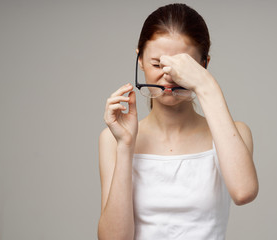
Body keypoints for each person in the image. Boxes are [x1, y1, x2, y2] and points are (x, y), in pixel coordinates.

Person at [98, 3, 258, 240]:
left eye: (183, 66)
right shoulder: (113, 139)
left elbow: (244, 192)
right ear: (140, 59)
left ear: (204, 64)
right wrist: (125, 145)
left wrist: (206, 86)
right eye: (157, 64)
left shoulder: (235, 133)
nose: (169, 75)